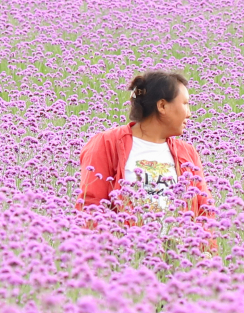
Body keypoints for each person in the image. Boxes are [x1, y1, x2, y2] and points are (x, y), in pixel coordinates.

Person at [77, 71, 211, 218]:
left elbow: (205, 210)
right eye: (185, 104)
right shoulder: (107, 144)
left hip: (177, 241)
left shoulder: (187, 152)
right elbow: (90, 205)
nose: (189, 114)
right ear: (162, 106)